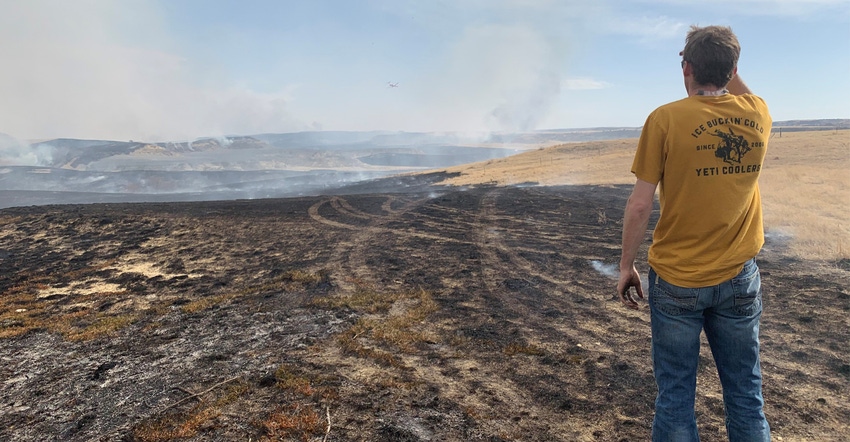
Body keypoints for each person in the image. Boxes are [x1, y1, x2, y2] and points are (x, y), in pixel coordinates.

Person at [616, 25, 772, 441]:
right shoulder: (757, 113)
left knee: (676, 397)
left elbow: (639, 204)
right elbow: (731, 78)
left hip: (677, 281)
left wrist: (627, 264)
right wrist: (720, 58)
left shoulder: (665, 119)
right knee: (745, 394)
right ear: (734, 67)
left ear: (685, 67)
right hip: (740, 278)